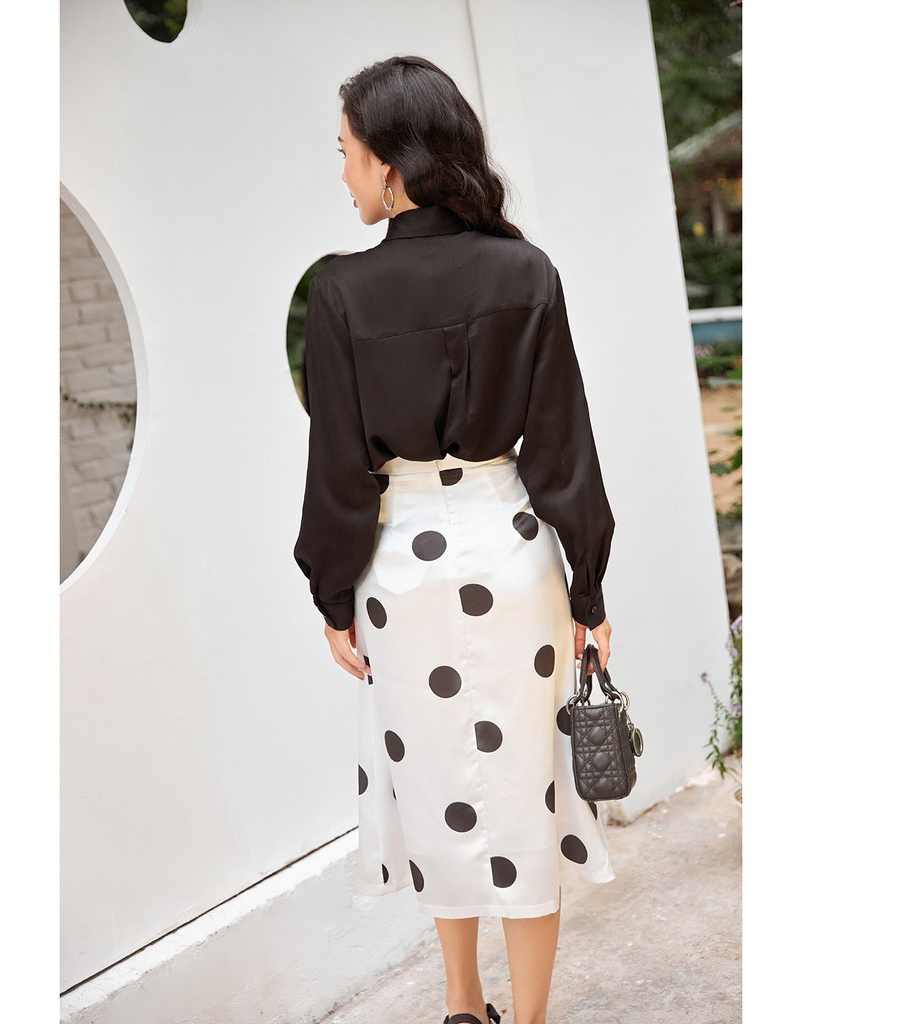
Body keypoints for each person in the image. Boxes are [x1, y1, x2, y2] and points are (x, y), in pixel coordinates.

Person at [293, 55, 616, 1024]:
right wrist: (590, 590)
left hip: (401, 568)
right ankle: (530, 1016)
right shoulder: (525, 271)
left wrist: (333, 595)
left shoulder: (342, 291)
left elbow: (337, 466)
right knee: (525, 788)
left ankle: (463, 1004)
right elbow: (561, 447)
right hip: (510, 552)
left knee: (434, 781)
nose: (342, 173)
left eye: (346, 153)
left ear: (392, 165)